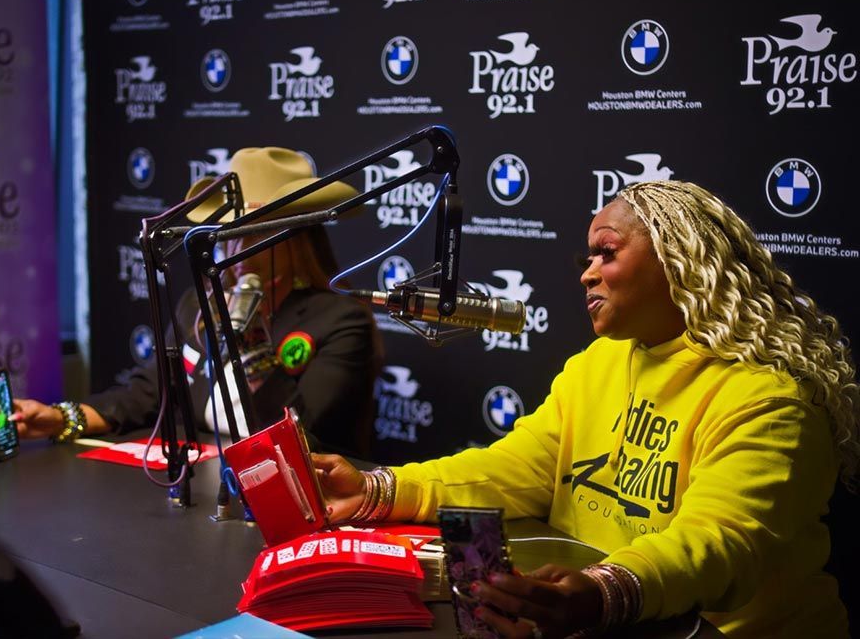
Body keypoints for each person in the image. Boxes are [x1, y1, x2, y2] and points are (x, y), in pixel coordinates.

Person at [313, 180, 857, 638]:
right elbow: (513, 468)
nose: (586, 273)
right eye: (586, 258)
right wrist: (377, 490)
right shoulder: (599, 362)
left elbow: (719, 541)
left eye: (607, 253)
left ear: (682, 260)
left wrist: (605, 589)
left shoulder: (771, 399)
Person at [12, 147, 383, 459]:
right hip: (211, 485)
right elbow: (150, 392)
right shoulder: (200, 304)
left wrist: (249, 338)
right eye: (228, 233)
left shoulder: (340, 320)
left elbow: (303, 434)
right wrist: (61, 418)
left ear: (295, 240)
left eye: (253, 232)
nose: (234, 249)